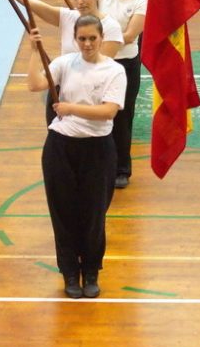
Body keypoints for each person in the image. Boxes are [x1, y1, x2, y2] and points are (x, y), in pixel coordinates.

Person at [26, 16, 126, 299]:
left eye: (92, 38)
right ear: (75, 38)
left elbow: (108, 111)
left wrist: (70, 107)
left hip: (98, 149)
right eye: (82, 38)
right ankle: (70, 272)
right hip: (60, 147)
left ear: (101, 37)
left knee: (94, 214)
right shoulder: (63, 63)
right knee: (63, 213)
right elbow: (35, 85)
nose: (87, 44)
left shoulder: (114, 70)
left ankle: (91, 271)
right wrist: (34, 52)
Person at [42, 0, 146, 189]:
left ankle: (121, 169)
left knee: (120, 119)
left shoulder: (139, 2)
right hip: (92, 61)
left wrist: (105, 36)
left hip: (119, 64)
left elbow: (127, 37)